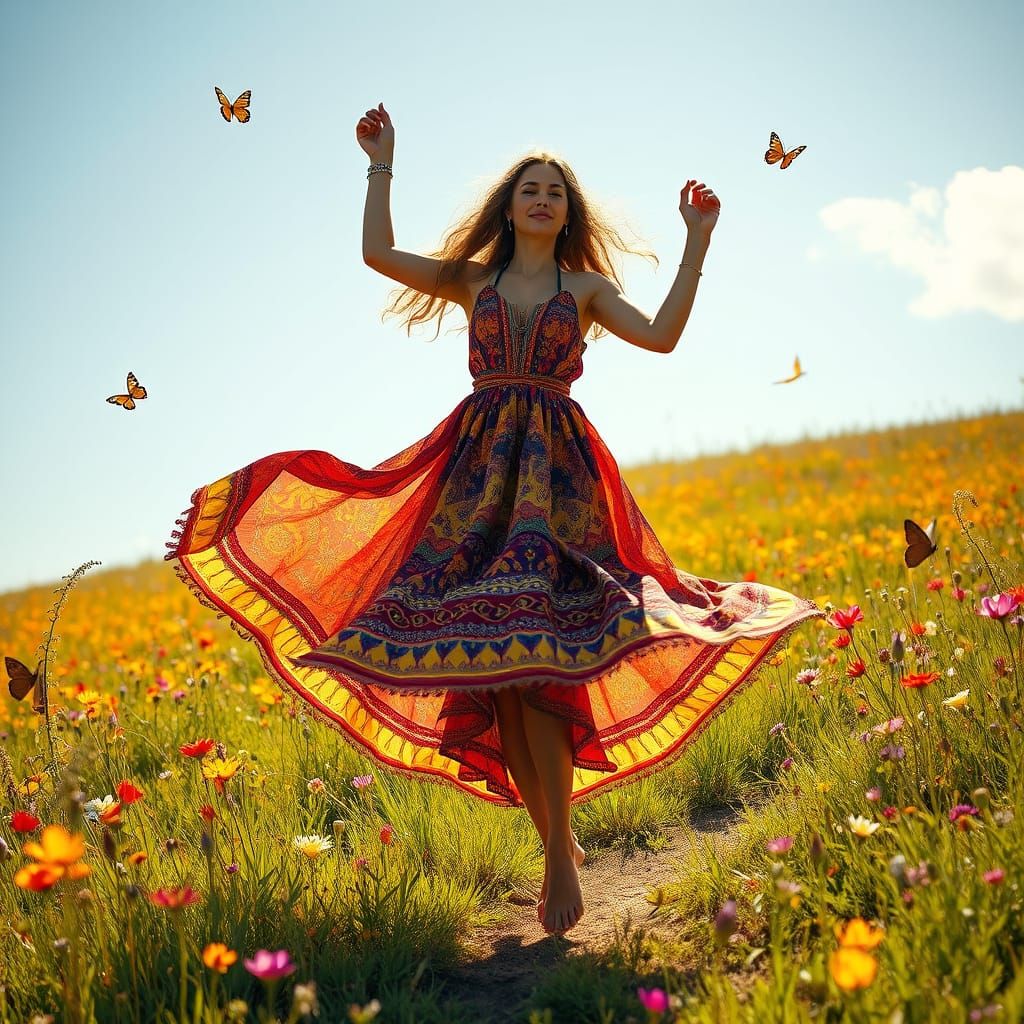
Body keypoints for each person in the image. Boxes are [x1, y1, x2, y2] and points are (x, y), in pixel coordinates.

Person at [165, 101, 825, 937]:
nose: (543, 200)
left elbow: (660, 337)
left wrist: (696, 242)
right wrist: (381, 162)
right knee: (500, 675)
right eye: (530, 190)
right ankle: (560, 840)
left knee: (537, 657)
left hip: (561, 487)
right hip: (475, 485)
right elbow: (376, 253)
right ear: (509, 207)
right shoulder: (473, 278)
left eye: (556, 191)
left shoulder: (584, 288)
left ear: (568, 211)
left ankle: (557, 857)